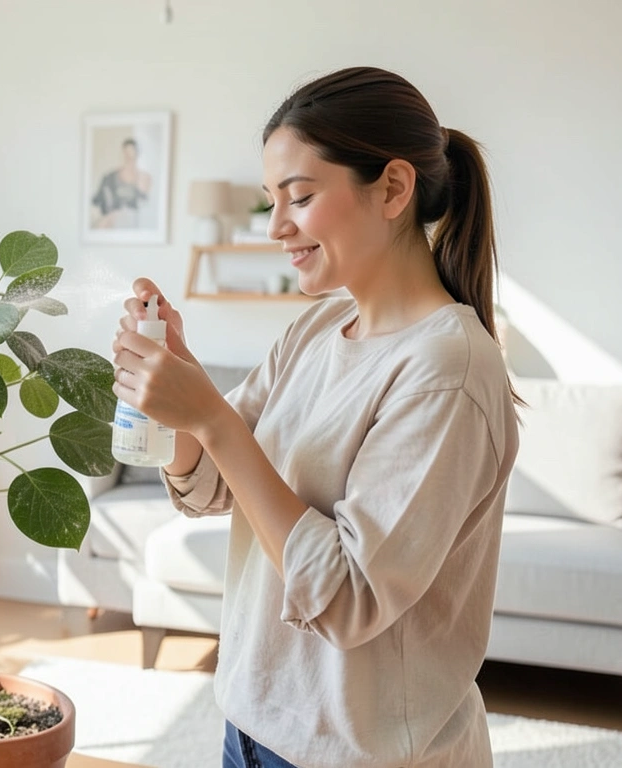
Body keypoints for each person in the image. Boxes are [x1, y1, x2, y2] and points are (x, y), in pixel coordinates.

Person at [110, 66, 521, 768]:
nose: (276, 227)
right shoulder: (317, 329)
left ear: (393, 188)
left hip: (360, 752)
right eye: (271, 201)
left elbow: (349, 600)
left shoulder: (447, 370)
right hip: (253, 720)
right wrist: (183, 394)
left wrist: (212, 418)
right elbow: (209, 487)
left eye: (298, 197)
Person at [91, 137, 152, 229]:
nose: (129, 159)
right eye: (127, 155)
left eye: (133, 156)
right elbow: (96, 204)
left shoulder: (144, 178)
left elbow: (145, 207)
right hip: (110, 228)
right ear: (122, 154)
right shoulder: (109, 178)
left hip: (134, 228)